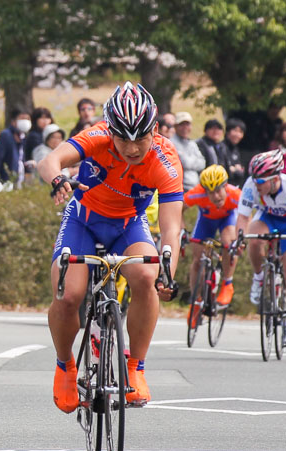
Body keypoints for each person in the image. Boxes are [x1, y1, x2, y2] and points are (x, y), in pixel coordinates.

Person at [37, 81, 183, 412]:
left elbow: (172, 227)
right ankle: (65, 365)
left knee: (147, 277)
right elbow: (50, 161)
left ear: (155, 130)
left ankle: (136, 368)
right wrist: (58, 179)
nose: (132, 148)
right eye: (123, 138)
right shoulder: (97, 136)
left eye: (141, 138)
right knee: (68, 294)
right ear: (110, 130)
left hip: (128, 225)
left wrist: (168, 273)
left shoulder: (166, 160)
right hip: (82, 221)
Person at [234, 149, 286, 347]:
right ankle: (259, 277)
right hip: (267, 217)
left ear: (275, 179)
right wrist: (239, 239)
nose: (257, 185)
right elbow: (243, 218)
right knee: (254, 240)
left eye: (261, 182)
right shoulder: (251, 185)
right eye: (255, 181)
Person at [183, 165, 241, 310]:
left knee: (229, 243)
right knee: (197, 260)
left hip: (227, 219)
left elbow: (246, 217)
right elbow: (177, 210)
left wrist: (240, 239)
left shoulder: (236, 194)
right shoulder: (196, 193)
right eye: (210, 192)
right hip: (206, 220)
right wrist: (182, 230)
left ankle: (227, 284)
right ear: (204, 191)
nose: (215, 196)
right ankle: (196, 301)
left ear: (225, 186)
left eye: (218, 191)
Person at [0, 108, 31, 184]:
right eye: (22, 118)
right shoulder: (6, 135)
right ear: (13, 121)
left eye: (27, 119)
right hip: (6, 180)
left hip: (18, 180)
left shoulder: (22, 136)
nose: (25, 121)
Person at [170, 112, 206, 192]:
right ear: (175, 126)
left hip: (195, 186)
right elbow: (184, 163)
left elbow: (202, 163)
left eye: (187, 124)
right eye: (181, 124)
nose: (185, 127)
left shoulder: (192, 143)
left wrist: (189, 161)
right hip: (180, 188)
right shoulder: (171, 143)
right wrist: (194, 160)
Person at [224, 118, 247, 187]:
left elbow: (241, 170)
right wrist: (233, 169)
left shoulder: (236, 149)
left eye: (241, 132)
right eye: (235, 131)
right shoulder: (221, 148)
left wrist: (235, 170)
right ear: (228, 131)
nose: (238, 135)